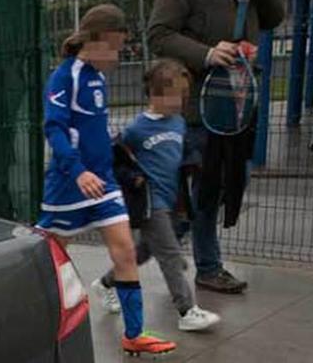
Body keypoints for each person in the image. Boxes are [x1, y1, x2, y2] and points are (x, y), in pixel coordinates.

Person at [148, 0, 285, 293]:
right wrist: (207, 53)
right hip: (197, 105)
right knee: (200, 192)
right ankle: (187, 261)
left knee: (226, 183)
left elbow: (275, 17)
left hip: (238, 104)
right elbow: (159, 34)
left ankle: (171, 250)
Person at [38, 4, 177, 356]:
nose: (117, 57)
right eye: (113, 48)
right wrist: (78, 170)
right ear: (93, 41)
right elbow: (54, 129)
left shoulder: (99, 78)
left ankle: (134, 334)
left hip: (104, 183)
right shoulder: (64, 76)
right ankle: (40, 326)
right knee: (50, 263)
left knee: (126, 251)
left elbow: (94, 130)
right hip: (69, 187)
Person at [92, 59, 221, 332]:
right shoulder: (137, 129)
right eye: (176, 96)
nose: (180, 102)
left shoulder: (178, 123)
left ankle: (105, 283)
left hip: (172, 199)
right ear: (155, 94)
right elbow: (117, 159)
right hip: (151, 203)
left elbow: (183, 151)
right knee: (170, 256)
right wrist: (132, 178)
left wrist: (193, 164)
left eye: (184, 96)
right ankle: (187, 310)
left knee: (141, 253)